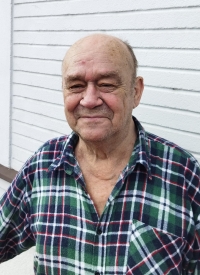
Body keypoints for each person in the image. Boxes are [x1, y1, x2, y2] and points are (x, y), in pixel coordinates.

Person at [0, 33, 199, 275]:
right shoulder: (42, 167)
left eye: (106, 84)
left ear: (136, 91)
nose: (90, 99)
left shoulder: (183, 174)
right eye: (76, 86)